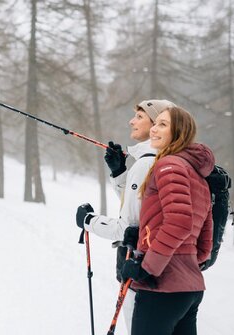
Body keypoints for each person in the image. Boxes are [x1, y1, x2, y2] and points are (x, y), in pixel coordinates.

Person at [75, 99, 176, 333]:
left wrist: (88, 221)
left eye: (140, 117)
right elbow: (145, 209)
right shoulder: (169, 161)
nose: (132, 121)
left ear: (157, 125)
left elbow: (129, 229)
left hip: (143, 274)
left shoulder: (146, 164)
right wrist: (120, 173)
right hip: (176, 279)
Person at [120, 106, 214, 335]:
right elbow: (203, 245)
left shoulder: (168, 165)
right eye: (155, 123)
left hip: (162, 288)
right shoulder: (198, 176)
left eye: (163, 124)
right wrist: (144, 235)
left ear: (179, 132)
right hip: (189, 290)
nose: (153, 129)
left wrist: (147, 267)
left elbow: (179, 222)